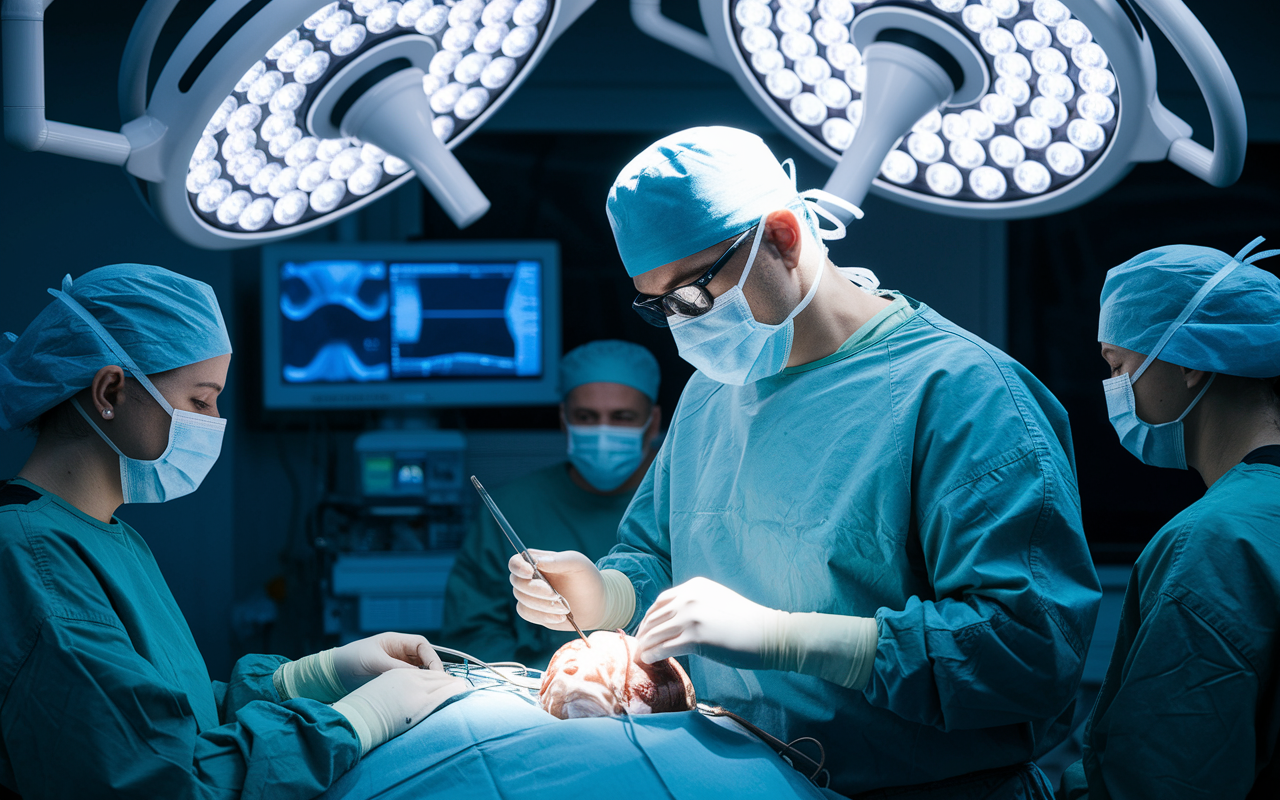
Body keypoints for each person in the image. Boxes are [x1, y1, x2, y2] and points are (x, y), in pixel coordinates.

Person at [507, 127, 1102, 798]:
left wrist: (786, 638)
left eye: (696, 294)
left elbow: (1029, 653)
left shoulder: (966, 394)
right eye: (661, 307)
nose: (685, 327)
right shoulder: (713, 391)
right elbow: (661, 552)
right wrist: (610, 591)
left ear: (784, 237)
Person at [0, 265, 467, 799]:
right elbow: (164, 783)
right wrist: (358, 720)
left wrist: (319, 675)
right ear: (111, 389)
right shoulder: (30, 557)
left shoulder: (108, 538)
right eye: (200, 400)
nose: (214, 420)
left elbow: (174, 717)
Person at [1060, 239, 1280, 799]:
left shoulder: (1213, 544)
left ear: (1185, 364)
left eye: (1119, 364)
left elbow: (1165, 773)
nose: (1114, 388)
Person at [444, 339, 662, 667]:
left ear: (653, 423)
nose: (603, 431)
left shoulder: (675, 506)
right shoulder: (512, 507)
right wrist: (548, 682)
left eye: (622, 417)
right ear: (564, 420)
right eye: (586, 417)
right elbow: (472, 634)